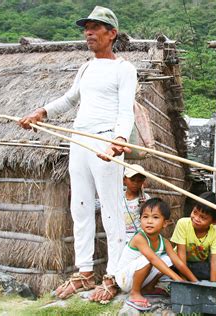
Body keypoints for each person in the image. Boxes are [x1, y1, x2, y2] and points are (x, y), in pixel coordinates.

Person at [18, 6, 137, 303]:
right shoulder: (86, 68)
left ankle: (112, 275)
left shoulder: (125, 68)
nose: (89, 32)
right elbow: (71, 99)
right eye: (87, 27)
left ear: (112, 34)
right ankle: (84, 272)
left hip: (107, 141)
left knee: (111, 209)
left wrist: (119, 140)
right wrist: (41, 112)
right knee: (80, 207)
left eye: (96, 27)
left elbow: (126, 110)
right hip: (79, 139)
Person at [115, 198, 198, 311]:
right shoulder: (139, 238)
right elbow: (153, 260)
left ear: (165, 223)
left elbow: (179, 263)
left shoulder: (164, 242)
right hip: (124, 278)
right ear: (140, 220)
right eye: (145, 217)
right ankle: (135, 293)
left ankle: (149, 288)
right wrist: (178, 279)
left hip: (139, 276)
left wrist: (195, 282)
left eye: (155, 217)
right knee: (150, 260)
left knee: (168, 260)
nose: (149, 221)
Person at [171, 191, 216, 281]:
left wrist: (213, 285)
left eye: (203, 217)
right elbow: (181, 257)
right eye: (195, 212)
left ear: (214, 221)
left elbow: (215, 262)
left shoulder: (215, 232)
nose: (196, 218)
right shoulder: (183, 223)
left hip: (199, 266)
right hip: (179, 263)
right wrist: (185, 281)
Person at [122, 164, 150, 242]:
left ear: (143, 182)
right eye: (132, 180)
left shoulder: (145, 198)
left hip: (139, 239)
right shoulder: (118, 196)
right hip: (120, 238)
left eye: (139, 181)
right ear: (124, 180)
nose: (135, 183)